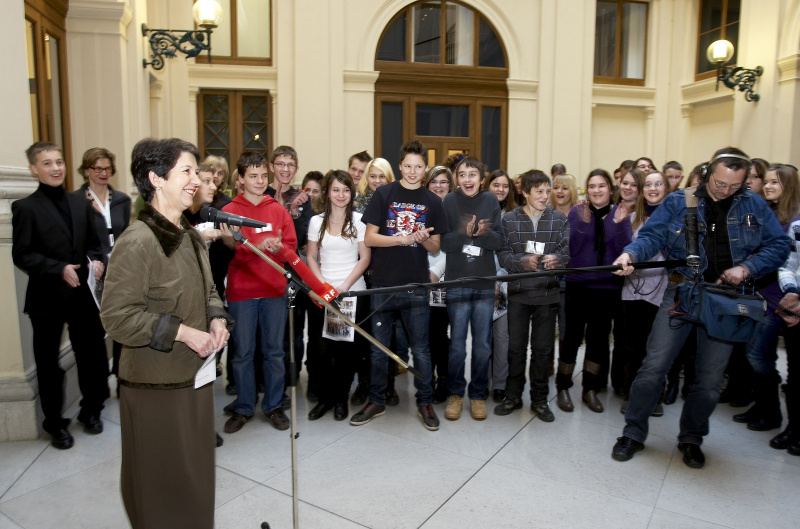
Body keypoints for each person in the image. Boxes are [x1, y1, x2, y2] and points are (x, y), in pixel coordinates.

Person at [611, 147, 792, 469]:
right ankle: (633, 433)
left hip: (725, 301)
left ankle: (692, 438)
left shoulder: (753, 204)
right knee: (653, 368)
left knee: (708, 382)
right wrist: (631, 255)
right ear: (709, 173)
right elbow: (651, 236)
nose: (725, 191)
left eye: (734, 186)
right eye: (720, 184)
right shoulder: (680, 201)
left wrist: (747, 269)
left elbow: (779, 245)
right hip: (682, 293)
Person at [100, 138, 232, 528]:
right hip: (154, 386)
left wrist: (216, 318)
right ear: (156, 179)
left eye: (196, 171)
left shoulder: (190, 235)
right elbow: (116, 317)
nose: (197, 180)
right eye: (187, 172)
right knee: (158, 484)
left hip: (194, 378)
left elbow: (209, 290)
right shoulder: (137, 241)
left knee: (193, 478)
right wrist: (181, 332)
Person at [12, 141, 109, 449]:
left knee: (92, 355)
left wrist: (97, 261)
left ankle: (91, 411)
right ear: (33, 169)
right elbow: (22, 255)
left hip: (82, 294)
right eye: (47, 163)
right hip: (47, 298)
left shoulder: (81, 202)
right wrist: (58, 268)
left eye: (59, 162)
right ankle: (55, 424)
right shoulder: (25, 208)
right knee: (47, 362)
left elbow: (94, 243)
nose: (55, 168)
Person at [351, 139, 448, 431]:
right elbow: (370, 238)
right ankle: (377, 400)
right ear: (400, 166)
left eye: (419, 166)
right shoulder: (384, 194)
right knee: (379, 349)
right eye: (408, 165)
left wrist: (421, 237)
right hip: (383, 284)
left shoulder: (433, 202)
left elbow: (434, 248)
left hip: (416, 286)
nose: (413, 171)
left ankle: (425, 402)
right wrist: (402, 238)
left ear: (425, 168)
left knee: (421, 349)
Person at [222, 151, 298, 433]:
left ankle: (274, 405)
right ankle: (243, 406)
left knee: (275, 352)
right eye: (252, 176)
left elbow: (290, 248)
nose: (259, 181)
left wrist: (278, 249)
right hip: (242, 291)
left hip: (273, 289)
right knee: (242, 353)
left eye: (263, 176)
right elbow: (231, 252)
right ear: (240, 179)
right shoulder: (228, 211)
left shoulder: (278, 210)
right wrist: (247, 246)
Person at [495, 170, 569, 421]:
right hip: (518, 294)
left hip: (547, 296)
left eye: (547, 191)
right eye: (539, 192)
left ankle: (539, 400)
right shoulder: (509, 220)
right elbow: (503, 255)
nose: (545, 196)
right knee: (516, 349)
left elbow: (567, 254)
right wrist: (520, 262)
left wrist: (558, 260)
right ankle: (513, 396)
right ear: (524, 192)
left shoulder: (559, 219)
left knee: (542, 350)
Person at [733, 164, 800, 432]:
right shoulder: (768, 213)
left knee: (759, 356)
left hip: (779, 299)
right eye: (768, 182)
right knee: (759, 355)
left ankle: (772, 414)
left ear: (789, 186)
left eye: (775, 182)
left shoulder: (794, 221)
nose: (768, 186)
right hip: (760, 295)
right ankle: (764, 408)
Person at [559, 169, 632, 413]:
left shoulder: (620, 214)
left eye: (602, 186)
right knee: (571, 338)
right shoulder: (577, 212)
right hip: (578, 284)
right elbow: (572, 249)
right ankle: (563, 387)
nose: (597, 190)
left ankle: (589, 388)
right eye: (592, 186)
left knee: (598, 340)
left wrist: (620, 225)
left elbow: (622, 250)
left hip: (607, 287)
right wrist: (584, 225)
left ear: (610, 189)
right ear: (586, 189)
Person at [440, 157, 503, 421]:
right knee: (456, 346)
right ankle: (456, 393)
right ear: (456, 178)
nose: (467, 179)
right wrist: (465, 233)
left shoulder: (490, 201)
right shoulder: (449, 202)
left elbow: (499, 241)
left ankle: (477, 395)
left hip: (484, 285)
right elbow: (444, 243)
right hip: (457, 284)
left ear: (481, 178)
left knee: (482, 346)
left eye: (472, 174)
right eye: (462, 174)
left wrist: (485, 233)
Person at [306, 171, 370, 420]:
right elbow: (311, 256)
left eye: (345, 190)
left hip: (350, 294)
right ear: (327, 193)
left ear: (351, 193)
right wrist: (322, 285)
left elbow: (364, 258)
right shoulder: (316, 222)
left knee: (345, 352)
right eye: (335, 190)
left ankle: (341, 400)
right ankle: (325, 399)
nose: (341, 195)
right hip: (322, 295)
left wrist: (343, 286)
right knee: (322, 351)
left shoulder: (359, 220)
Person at [73, 147, 132, 397]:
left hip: (120, 269)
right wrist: (91, 260)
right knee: (93, 335)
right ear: (86, 170)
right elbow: (76, 239)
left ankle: (122, 379)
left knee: (122, 327)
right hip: (92, 270)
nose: (103, 173)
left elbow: (125, 234)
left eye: (107, 168)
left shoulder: (121, 200)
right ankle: (96, 393)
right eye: (98, 168)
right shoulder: (76, 201)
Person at [619, 171, 671, 414]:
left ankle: (655, 397)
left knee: (656, 347)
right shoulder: (632, 217)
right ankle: (632, 393)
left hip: (662, 290)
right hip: (633, 288)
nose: (653, 188)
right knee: (633, 346)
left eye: (658, 184)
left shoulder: (674, 217)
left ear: (666, 188)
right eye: (648, 184)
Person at [425, 165, 454, 404]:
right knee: (425, 335)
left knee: (438, 334)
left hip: (443, 282)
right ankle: (428, 378)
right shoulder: (422, 207)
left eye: (443, 182)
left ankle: (444, 379)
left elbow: (452, 247)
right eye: (434, 182)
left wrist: (435, 272)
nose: (438, 186)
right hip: (418, 280)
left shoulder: (454, 210)